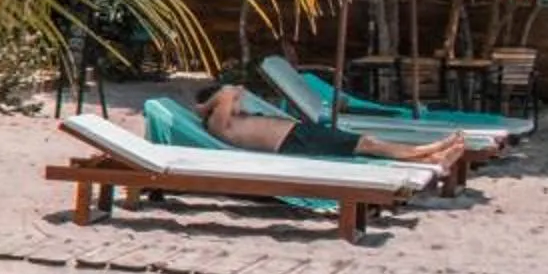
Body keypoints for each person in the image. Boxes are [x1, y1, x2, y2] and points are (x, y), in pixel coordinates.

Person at [193, 79, 465, 168]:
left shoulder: (232, 118)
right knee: (367, 144)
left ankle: (431, 158)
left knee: (364, 146)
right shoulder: (217, 123)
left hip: (298, 134)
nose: (240, 100)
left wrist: (232, 94)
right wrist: (209, 103)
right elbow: (228, 90)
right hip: (293, 142)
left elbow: (231, 90)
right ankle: (432, 151)